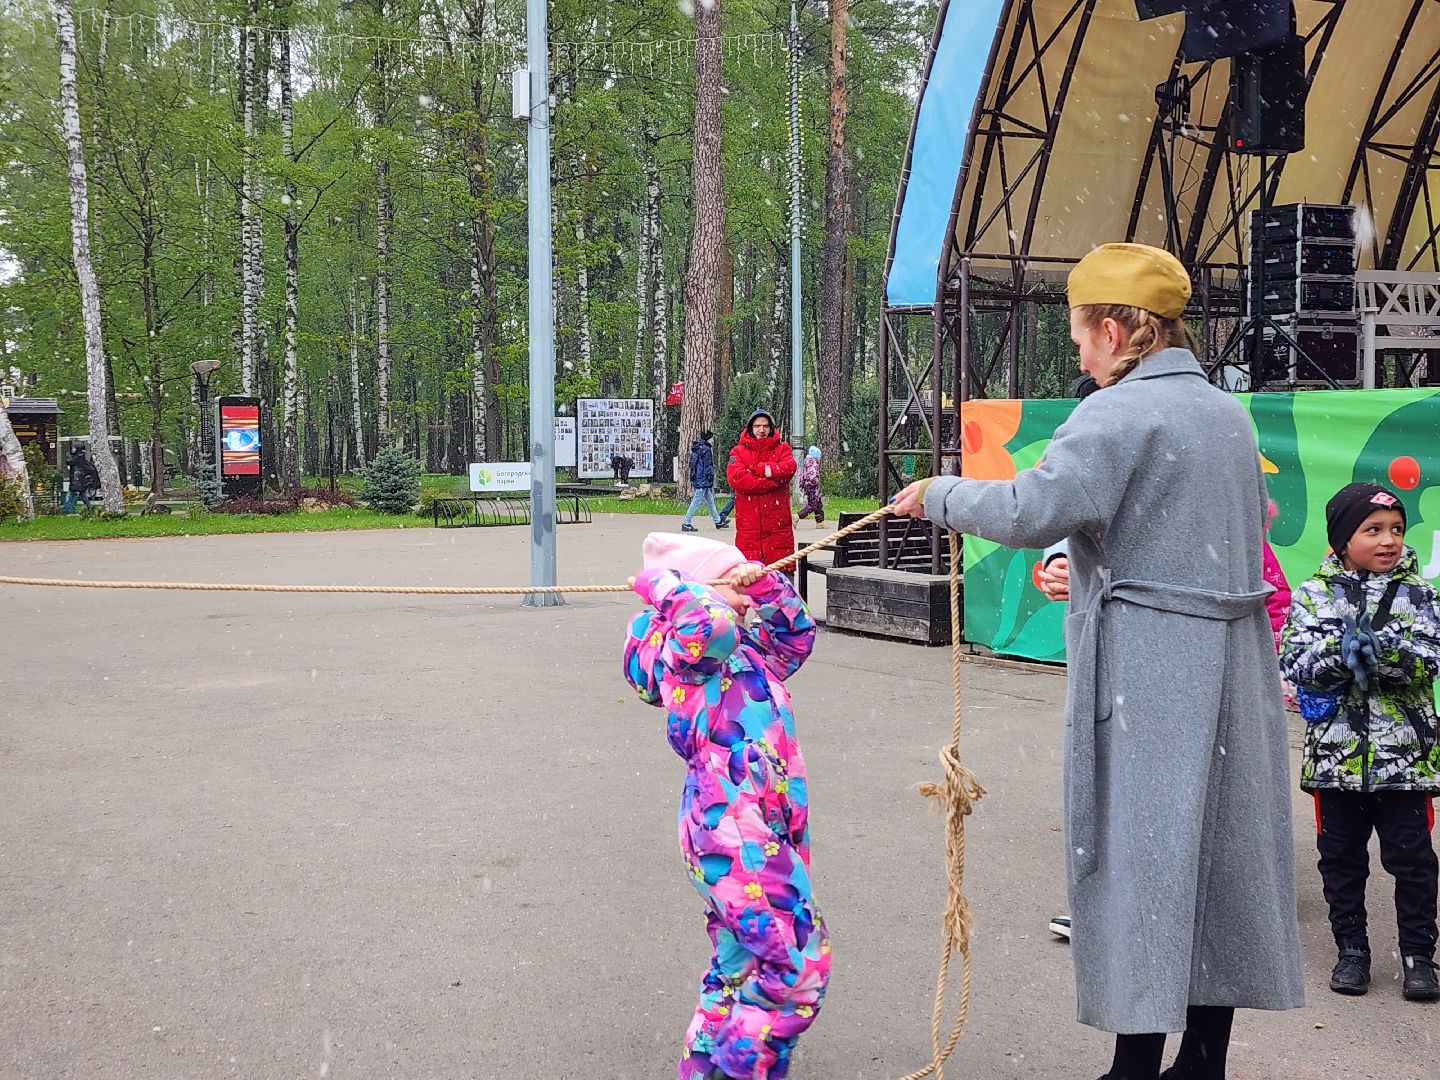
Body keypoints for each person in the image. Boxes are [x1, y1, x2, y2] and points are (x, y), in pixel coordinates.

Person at [892, 242, 1304, 1080]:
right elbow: (1220, 524)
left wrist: (936, 494)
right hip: (1230, 664)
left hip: (1152, 671)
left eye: (1082, 334)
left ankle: (1134, 1064)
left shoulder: (1117, 413)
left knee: (1143, 857)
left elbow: (1029, 506)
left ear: (1117, 331)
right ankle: (1204, 1058)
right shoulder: (1225, 413)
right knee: (1215, 857)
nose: (1080, 351)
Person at [623, 532, 830, 1079]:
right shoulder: (686, 657)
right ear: (697, 591)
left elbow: (797, 636)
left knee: (738, 963)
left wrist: (763, 584)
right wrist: (667, 589)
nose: (739, 593)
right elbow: (705, 626)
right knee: (796, 964)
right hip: (730, 827)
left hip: (764, 826)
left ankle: (705, 1067)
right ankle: (742, 1069)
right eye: (727, 578)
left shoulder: (748, 653)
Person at [1280, 483, 1440, 1002]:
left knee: (1414, 861)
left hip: (1406, 764)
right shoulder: (1312, 595)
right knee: (1341, 857)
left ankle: (1419, 958)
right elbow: (1296, 664)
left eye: (1395, 529)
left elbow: (1431, 658)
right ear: (1342, 539)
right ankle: (1352, 952)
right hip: (1336, 763)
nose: (1388, 540)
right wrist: (1340, 653)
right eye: (1373, 530)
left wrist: (1385, 653)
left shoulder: (1421, 595)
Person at [726, 410, 797, 568]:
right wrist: (771, 482)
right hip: (749, 529)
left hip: (778, 530)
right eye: (757, 426)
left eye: (765, 426)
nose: (761, 430)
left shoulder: (783, 448)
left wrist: (760, 470)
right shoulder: (738, 452)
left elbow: (789, 468)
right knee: (750, 583)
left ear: (771, 428)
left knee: (783, 583)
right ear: (751, 428)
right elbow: (737, 478)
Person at [682, 430, 727, 533]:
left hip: (698, 478)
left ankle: (718, 521)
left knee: (710, 500)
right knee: (696, 501)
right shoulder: (706, 450)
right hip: (703, 479)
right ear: (709, 439)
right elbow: (708, 467)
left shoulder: (697, 448)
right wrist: (710, 479)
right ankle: (686, 522)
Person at [65, 445, 99, 514]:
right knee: (83, 495)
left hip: (76, 481)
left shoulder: (76, 458)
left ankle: (66, 510)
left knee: (70, 496)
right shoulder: (83, 459)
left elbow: (69, 462)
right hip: (80, 481)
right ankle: (89, 508)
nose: (72, 450)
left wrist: (68, 456)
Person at [796, 446, 825, 526]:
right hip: (813, 487)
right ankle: (798, 516)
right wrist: (814, 482)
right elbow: (813, 476)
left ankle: (820, 522)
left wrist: (802, 485)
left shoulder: (807, 462)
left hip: (809, 487)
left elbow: (803, 475)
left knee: (818, 503)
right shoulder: (813, 463)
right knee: (813, 505)